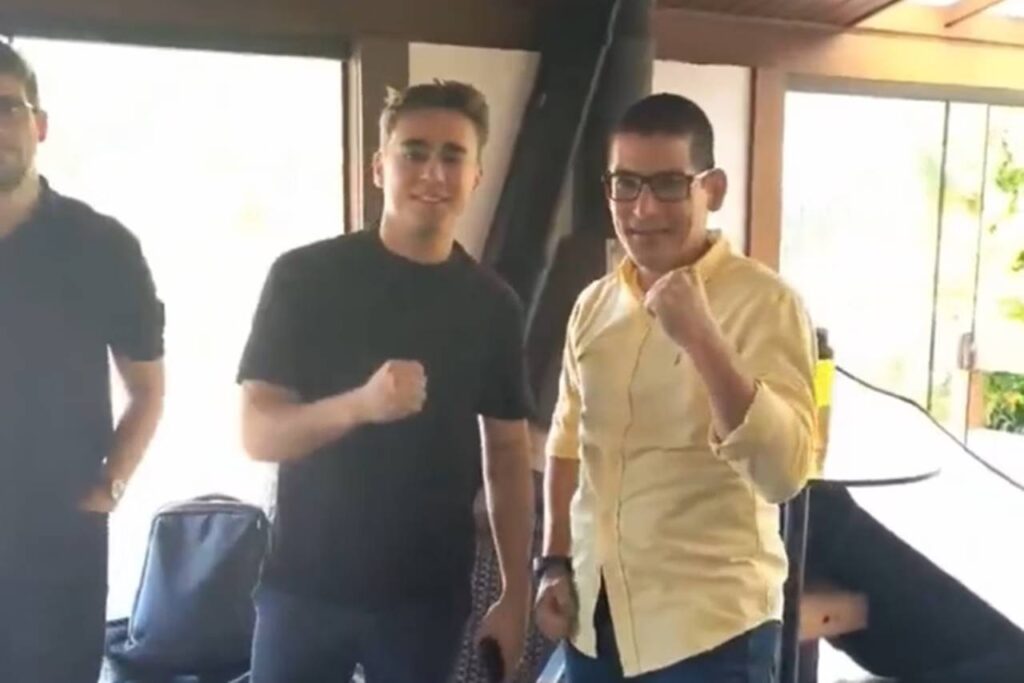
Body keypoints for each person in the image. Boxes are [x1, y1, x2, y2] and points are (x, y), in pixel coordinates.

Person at [238, 80, 535, 683]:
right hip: (305, 587)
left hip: (425, 599)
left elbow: (508, 454)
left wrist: (516, 594)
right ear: (379, 167)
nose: (433, 172)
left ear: (476, 176)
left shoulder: (492, 305)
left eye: (453, 156)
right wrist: (359, 405)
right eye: (413, 152)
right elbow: (258, 434)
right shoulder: (305, 278)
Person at [533, 93, 817, 682]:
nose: (643, 209)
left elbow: (785, 474)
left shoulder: (767, 303)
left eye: (668, 185)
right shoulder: (593, 306)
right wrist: (553, 561)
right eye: (626, 184)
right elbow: (567, 443)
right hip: (593, 621)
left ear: (713, 189)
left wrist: (704, 339)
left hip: (709, 635)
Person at [0, 41, 166, 682]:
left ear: (39, 124)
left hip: (60, 544)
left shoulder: (102, 247)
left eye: (7, 108)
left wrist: (110, 485)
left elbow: (147, 389)